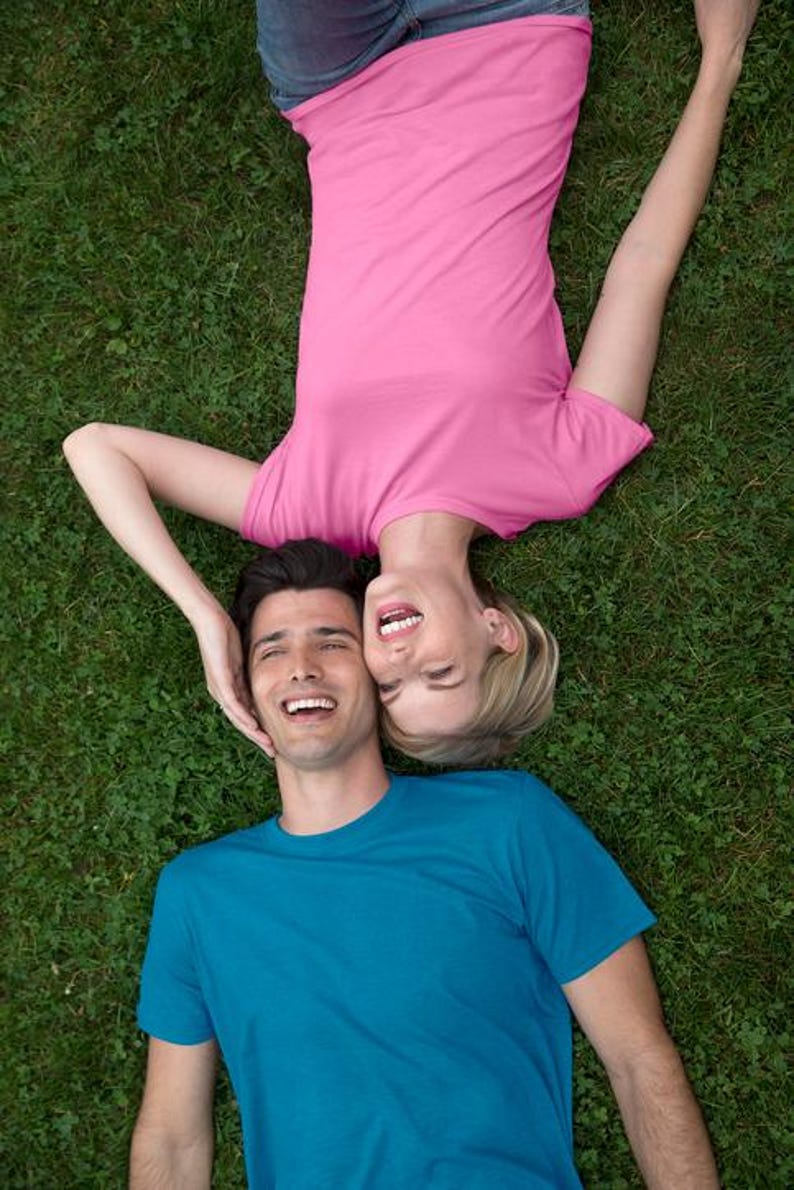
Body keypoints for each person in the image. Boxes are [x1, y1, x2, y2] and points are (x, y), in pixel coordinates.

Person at [63, 0, 760, 765]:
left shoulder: (307, 507)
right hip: (514, 32)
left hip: (337, 83)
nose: (396, 662)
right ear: (497, 629)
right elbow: (646, 262)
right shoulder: (561, 471)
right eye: (440, 673)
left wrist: (205, 616)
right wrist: (720, 60)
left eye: (390, 689)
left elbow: (98, 448)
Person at [128, 537, 719, 1188]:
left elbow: (639, 1057)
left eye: (332, 642)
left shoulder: (508, 822)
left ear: (378, 676)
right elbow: (174, 1136)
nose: (301, 667)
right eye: (272, 649)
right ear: (244, 686)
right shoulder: (198, 893)